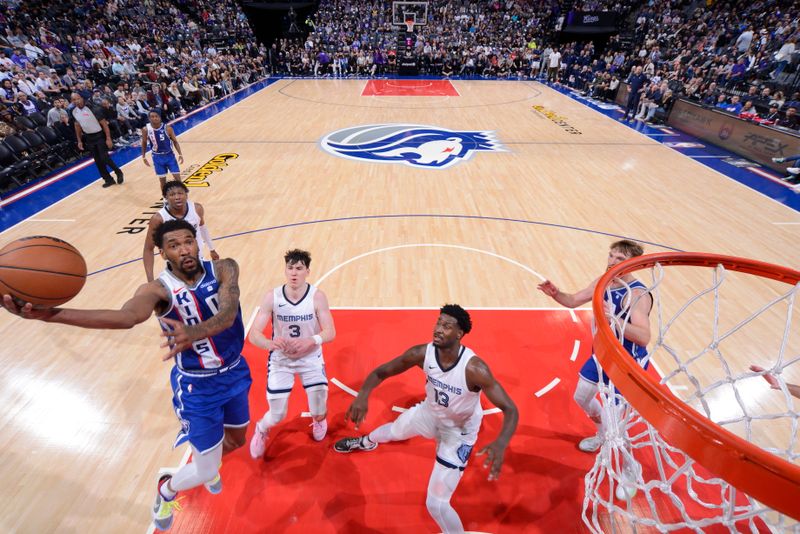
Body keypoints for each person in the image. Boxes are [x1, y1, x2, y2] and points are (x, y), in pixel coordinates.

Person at [0, 219, 252, 532]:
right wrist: (50, 315)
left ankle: (207, 460)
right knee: (204, 469)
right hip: (197, 387)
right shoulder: (157, 290)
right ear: (163, 253)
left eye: (188, 241)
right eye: (174, 245)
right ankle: (168, 487)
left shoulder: (225, 267)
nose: (185, 249)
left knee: (238, 440)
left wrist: (195, 331)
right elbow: (126, 317)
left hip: (235, 372)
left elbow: (228, 313)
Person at [333, 304, 518, 533]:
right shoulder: (422, 353)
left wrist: (501, 442)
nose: (439, 329)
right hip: (429, 413)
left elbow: (510, 409)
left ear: (459, 334)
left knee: (437, 505)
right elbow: (381, 372)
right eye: (438, 322)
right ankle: (365, 442)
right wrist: (363, 395)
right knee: (394, 432)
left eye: (447, 326)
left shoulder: (474, 368)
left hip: (458, 433)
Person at [537, 240, 652, 452]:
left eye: (620, 259)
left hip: (628, 363)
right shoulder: (604, 281)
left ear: (633, 264)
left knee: (615, 426)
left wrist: (613, 320)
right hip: (603, 354)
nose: (612, 262)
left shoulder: (636, 295)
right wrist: (556, 293)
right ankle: (600, 434)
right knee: (581, 397)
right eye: (611, 256)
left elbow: (644, 337)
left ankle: (629, 472)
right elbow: (573, 300)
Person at [249, 249, 336, 456]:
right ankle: (261, 428)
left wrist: (311, 341)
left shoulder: (317, 297)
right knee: (277, 415)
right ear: (285, 270)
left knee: (318, 411)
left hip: (310, 358)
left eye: (299, 268)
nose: (294, 273)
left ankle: (319, 421)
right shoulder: (272, 296)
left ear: (308, 271)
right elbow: (254, 334)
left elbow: (330, 332)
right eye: (290, 268)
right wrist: (269, 343)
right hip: (281, 360)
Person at [143, 181, 219, 282]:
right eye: (172, 194)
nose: (177, 197)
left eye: (180, 193)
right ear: (165, 198)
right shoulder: (158, 219)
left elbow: (203, 229)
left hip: (199, 259)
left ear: (186, 195)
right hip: (177, 267)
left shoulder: (197, 209)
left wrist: (212, 249)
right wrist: (150, 279)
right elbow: (148, 249)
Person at [71, 92, 123, 188]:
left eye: (77, 99)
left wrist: (108, 138)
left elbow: (104, 124)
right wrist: (79, 140)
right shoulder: (74, 112)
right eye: (73, 100)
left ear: (82, 98)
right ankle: (108, 179)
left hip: (99, 135)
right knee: (98, 161)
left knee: (104, 157)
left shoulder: (93, 109)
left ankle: (118, 171)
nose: (76, 101)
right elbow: (77, 126)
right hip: (89, 137)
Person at [141, 109, 184, 191]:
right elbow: (144, 143)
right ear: (149, 118)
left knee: (178, 179)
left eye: (156, 116)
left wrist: (180, 154)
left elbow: (175, 141)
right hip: (157, 157)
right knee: (162, 182)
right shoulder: (146, 129)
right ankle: (165, 199)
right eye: (152, 117)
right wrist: (143, 156)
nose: (154, 118)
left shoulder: (168, 128)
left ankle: (183, 195)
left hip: (169, 156)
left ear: (160, 117)